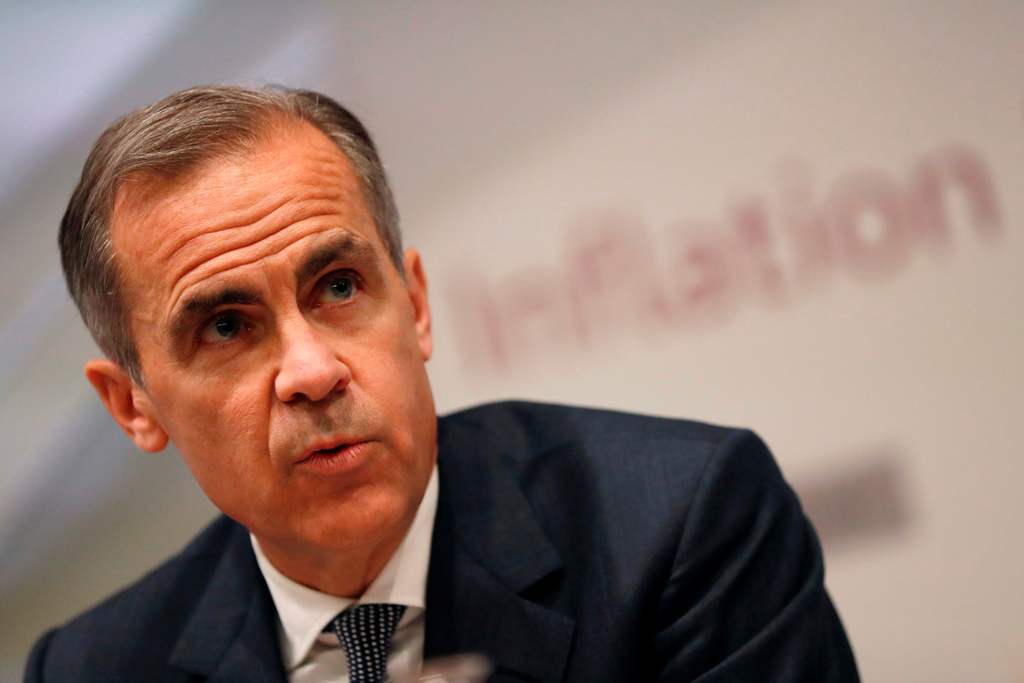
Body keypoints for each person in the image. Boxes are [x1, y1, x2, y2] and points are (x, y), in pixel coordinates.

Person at [25, 85, 858, 682]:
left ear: (415, 304)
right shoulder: (92, 665)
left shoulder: (682, 525)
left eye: (341, 286)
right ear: (133, 404)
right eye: (227, 327)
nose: (313, 372)